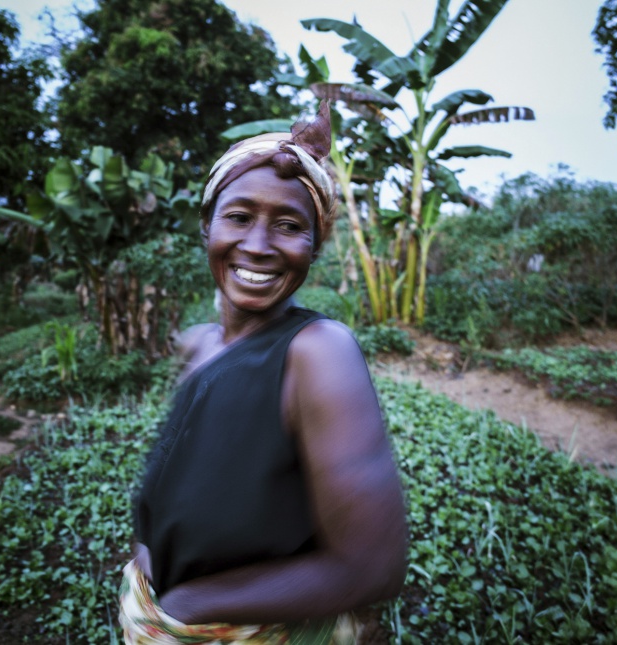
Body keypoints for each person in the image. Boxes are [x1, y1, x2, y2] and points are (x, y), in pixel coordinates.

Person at [119, 102, 408, 644]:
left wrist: (185, 605)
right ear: (207, 225)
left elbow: (373, 566)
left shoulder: (318, 352)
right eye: (238, 216)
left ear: (313, 246)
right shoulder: (201, 345)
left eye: (289, 225)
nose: (257, 245)